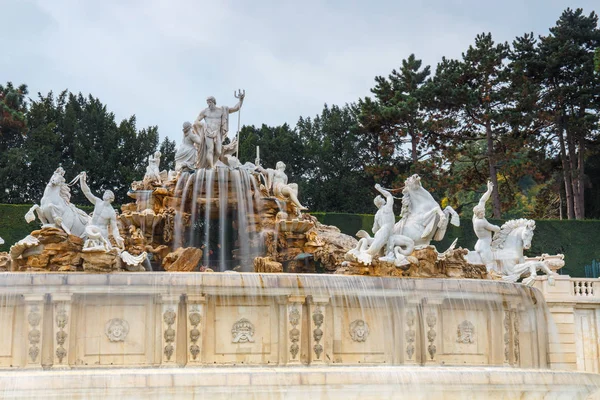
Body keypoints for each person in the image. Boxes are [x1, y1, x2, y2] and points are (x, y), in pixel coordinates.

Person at [194, 93, 244, 169]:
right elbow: (196, 122)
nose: (209, 104)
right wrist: (204, 125)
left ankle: (211, 165)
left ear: (214, 102)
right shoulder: (204, 111)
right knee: (210, 150)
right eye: (208, 102)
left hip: (217, 133)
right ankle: (211, 167)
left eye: (210, 102)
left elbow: (235, 108)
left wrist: (241, 99)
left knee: (218, 152)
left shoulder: (222, 110)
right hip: (208, 132)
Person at [79, 172, 124, 250]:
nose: (105, 193)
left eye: (107, 193)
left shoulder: (111, 212)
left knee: (106, 250)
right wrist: (82, 181)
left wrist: (117, 238)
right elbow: (87, 192)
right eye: (105, 192)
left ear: (111, 198)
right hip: (90, 228)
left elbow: (114, 228)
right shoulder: (98, 202)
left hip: (101, 233)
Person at [473, 181, 501, 273]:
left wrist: (489, 190)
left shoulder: (477, 214)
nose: (483, 214)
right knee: (490, 265)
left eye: (484, 212)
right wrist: (497, 232)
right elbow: (495, 228)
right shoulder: (480, 222)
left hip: (483, 243)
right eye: (481, 213)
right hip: (484, 246)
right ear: (477, 214)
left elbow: (482, 200)